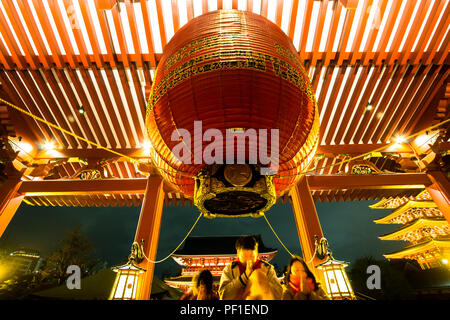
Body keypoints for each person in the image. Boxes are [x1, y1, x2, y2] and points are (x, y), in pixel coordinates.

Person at [218, 235, 282, 300]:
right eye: (245, 256)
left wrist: (263, 281)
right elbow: (223, 295)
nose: (248, 260)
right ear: (238, 253)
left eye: (252, 256)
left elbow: (279, 294)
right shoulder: (229, 269)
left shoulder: (267, 268)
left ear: (257, 253)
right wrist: (243, 278)